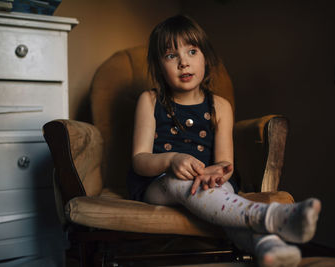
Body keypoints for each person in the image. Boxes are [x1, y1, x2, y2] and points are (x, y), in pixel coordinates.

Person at [127, 14, 321, 267]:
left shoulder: (220, 106)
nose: (183, 63)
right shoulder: (150, 101)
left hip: (209, 183)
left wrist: (216, 173)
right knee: (181, 183)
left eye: (192, 51)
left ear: (205, 57)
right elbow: (139, 160)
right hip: (159, 185)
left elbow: (224, 162)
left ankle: (269, 247)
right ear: (158, 65)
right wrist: (170, 160)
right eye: (171, 55)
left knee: (221, 197)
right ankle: (270, 216)